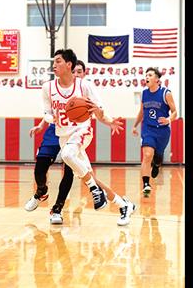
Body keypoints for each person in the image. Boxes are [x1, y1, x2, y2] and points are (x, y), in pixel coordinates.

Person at [44, 49, 136, 226]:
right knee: (89, 175)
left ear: (69, 65)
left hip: (82, 131)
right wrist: (51, 118)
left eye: (58, 61)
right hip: (64, 136)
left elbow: (99, 111)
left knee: (68, 156)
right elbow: (46, 113)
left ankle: (95, 191)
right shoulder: (49, 88)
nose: (54, 65)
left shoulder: (84, 87)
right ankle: (124, 204)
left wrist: (109, 121)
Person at [132, 67, 177, 194]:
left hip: (162, 131)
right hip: (148, 129)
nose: (146, 77)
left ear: (157, 79)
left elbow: (175, 112)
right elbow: (141, 112)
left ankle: (157, 164)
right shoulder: (144, 93)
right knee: (147, 155)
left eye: (150, 75)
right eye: (146, 75)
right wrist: (135, 125)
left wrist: (168, 119)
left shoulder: (165, 93)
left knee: (158, 156)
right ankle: (146, 184)